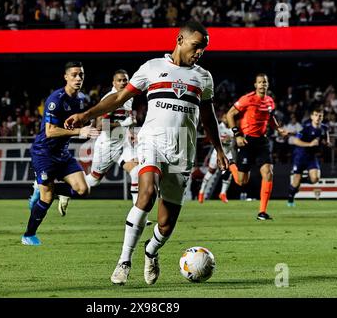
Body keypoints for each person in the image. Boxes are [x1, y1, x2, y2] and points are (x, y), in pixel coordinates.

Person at [65, 21, 229, 285]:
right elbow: (118, 98)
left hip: (182, 154)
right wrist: (86, 115)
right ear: (180, 40)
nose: (200, 52)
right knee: (147, 192)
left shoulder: (203, 77)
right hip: (151, 143)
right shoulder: (152, 68)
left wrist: (219, 149)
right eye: (197, 46)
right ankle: (124, 261)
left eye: (204, 49)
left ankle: (150, 251)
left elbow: (208, 117)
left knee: (165, 224)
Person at [21, 61, 99, 246]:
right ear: (66, 77)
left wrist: (88, 125)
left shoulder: (80, 99)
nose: (78, 78)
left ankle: (47, 189)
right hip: (44, 153)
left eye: (81, 74)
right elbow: (50, 131)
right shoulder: (56, 99)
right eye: (74, 75)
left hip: (62, 153)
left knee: (83, 190)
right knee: (46, 198)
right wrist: (80, 132)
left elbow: (75, 123)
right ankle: (28, 235)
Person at [226, 73, 288, 221]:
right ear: (255, 85)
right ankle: (231, 165)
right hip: (247, 141)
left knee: (268, 172)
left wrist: (278, 129)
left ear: (267, 85)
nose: (262, 85)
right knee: (242, 181)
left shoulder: (270, 101)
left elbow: (270, 117)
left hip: (262, 141)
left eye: (264, 82)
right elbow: (230, 114)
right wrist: (237, 135)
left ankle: (262, 212)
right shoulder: (247, 99)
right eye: (260, 82)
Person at [287, 107, 331, 206]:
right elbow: (295, 141)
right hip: (300, 156)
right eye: (316, 115)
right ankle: (290, 197)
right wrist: (310, 144)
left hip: (311, 157)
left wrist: (327, 142)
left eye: (320, 115)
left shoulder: (324, 127)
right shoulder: (305, 128)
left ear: (323, 117)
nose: (318, 117)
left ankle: (301, 180)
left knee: (315, 178)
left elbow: (325, 137)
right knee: (295, 184)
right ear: (312, 117)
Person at [198, 113, 234, 203]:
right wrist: (224, 140)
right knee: (211, 172)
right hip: (217, 153)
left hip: (228, 153)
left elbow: (234, 140)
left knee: (229, 173)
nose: (226, 119)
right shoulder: (219, 127)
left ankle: (223, 193)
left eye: (227, 118)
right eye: (225, 118)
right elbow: (211, 138)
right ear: (222, 118)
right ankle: (201, 192)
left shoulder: (233, 128)